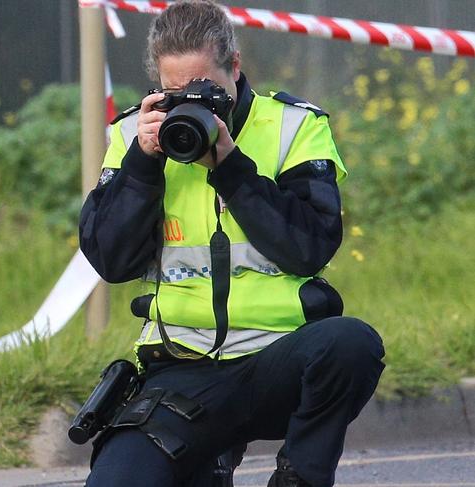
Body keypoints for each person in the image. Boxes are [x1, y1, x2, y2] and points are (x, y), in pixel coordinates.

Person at [79, 1, 385, 486]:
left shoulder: (293, 126)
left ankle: (298, 477)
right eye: (174, 92)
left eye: (204, 90)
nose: (190, 106)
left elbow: (309, 247)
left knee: (351, 343)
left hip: (278, 360)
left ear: (235, 67)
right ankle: (209, 460)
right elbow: (111, 262)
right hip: (182, 368)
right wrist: (141, 165)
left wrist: (231, 167)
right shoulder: (134, 135)